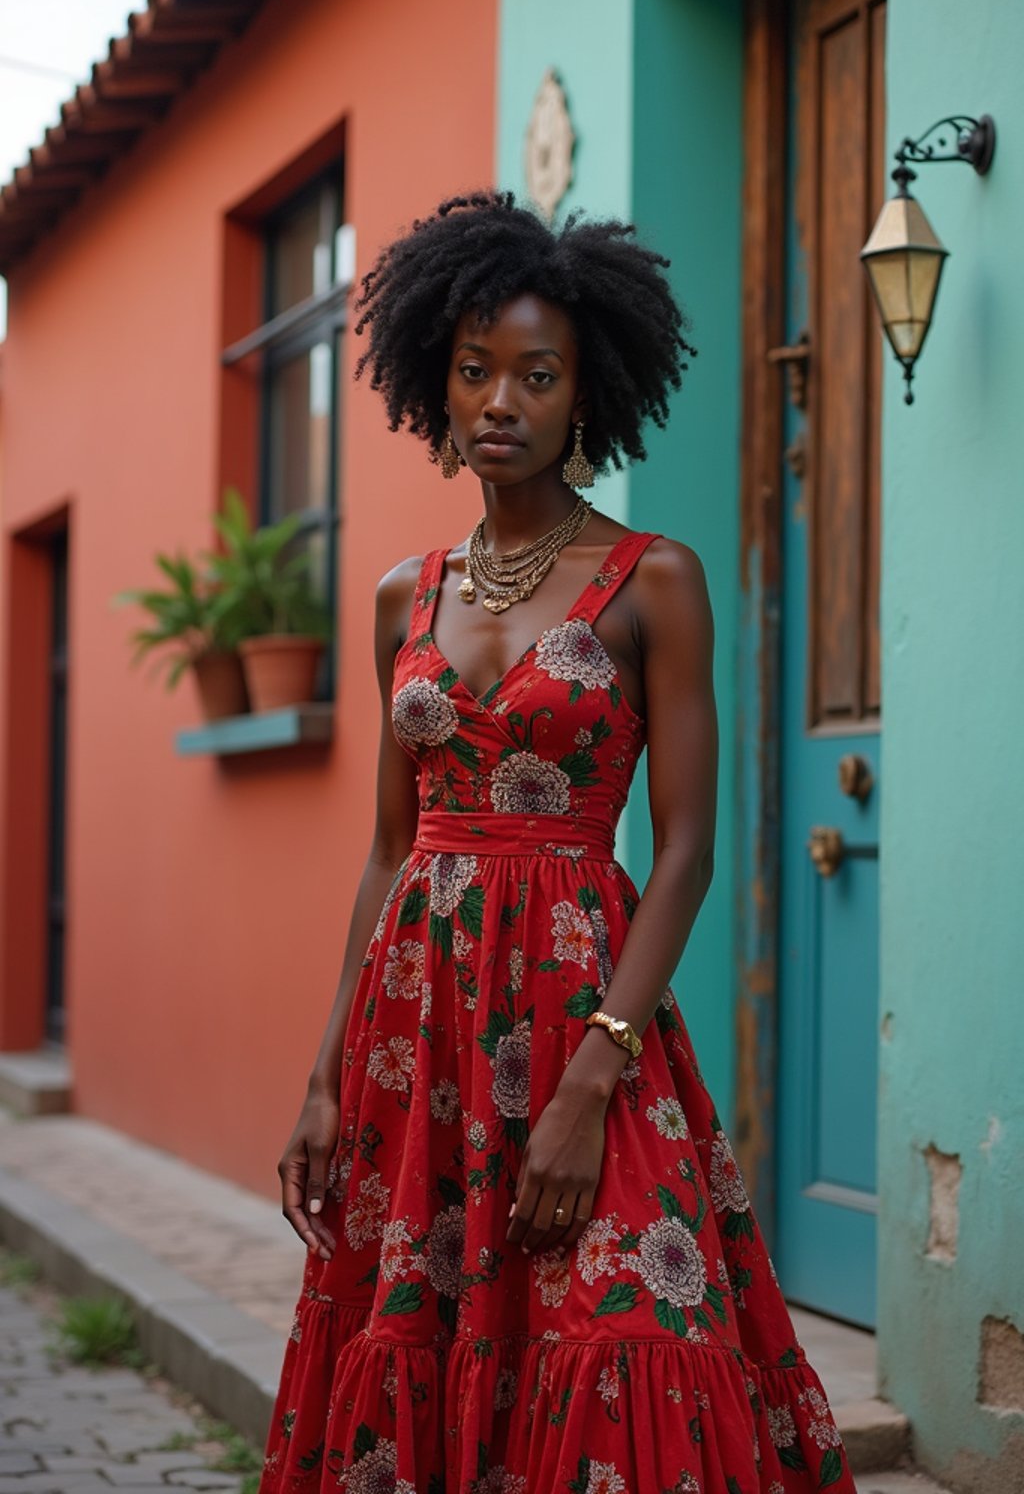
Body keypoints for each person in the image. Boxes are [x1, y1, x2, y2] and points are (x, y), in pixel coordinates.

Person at [258, 190, 856, 1494]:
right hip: (419, 1037)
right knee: (425, 1335)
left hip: (588, 1014)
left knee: (630, 1327)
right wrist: (323, 1074)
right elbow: (385, 850)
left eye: (537, 374)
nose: (499, 402)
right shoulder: (397, 598)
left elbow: (689, 845)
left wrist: (597, 1071)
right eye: (474, 371)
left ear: (587, 390)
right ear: (436, 380)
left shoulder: (656, 580)